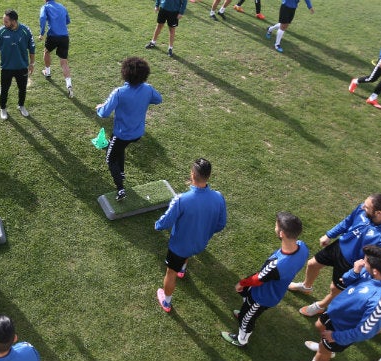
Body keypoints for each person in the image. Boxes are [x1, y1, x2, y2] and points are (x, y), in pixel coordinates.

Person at [288, 194, 381, 317]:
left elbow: (376, 263)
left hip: (351, 264)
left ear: (378, 213)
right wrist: (329, 235)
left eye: (367, 207)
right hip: (339, 247)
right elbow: (348, 221)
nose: (362, 207)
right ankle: (306, 287)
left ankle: (320, 306)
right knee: (312, 264)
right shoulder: (363, 210)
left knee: (335, 289)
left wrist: (355, 273)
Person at [221, 212, 309, 346]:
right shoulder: (302, 247)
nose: (274, 227)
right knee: (248, 308)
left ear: (282, 234)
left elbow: (257, 279)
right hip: (275, 290)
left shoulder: (277, 265)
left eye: (276, 226)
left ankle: (241, 339)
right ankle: (247, 313)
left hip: (262, 296)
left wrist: (241, 283)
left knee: (247, 317)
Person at [154, 158, 227, 312]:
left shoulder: (181, 200)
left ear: (193, 174)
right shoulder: (219, 197)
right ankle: (183, 269)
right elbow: (221, 224)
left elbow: (166, 222)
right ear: (209, 175)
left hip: (179, 247)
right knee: (187, 254)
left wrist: (157, 225)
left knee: (170, 272)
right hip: (200, 244)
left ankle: (166, 302)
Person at [304, 245, 381, 361]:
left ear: (375, 271)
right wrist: (355, 271)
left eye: (365, 261)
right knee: (319, 325)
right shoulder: (368, 271)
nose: (361, 261)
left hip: (342, 330)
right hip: (335, 312)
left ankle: (324, 351)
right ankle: (324, 347)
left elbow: (364, 331)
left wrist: (335, 337)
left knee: (322, 354)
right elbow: (345, 280)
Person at [95, 57, 162, 201]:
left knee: (110, 158)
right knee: (120, 149)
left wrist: (98, 108)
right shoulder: (148, 89)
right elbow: (158, 99)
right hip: (137, 133)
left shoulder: (119, 92)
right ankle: (122, 173)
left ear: (125, 72)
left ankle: (120, 189)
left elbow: (104, 113)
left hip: (121, 134)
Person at [0, 9, 36, 120]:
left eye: (6, 21)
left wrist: (32, 63)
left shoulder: (25, 31)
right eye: (3, 21)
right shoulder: (1, 32)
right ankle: (3, 109)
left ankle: (21, 106)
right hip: (6, 68)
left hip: (22, 67)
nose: (4, 24)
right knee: (4, 89)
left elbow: (32, 48)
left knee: (22, 88)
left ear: (14, 21)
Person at [38, 0, 74, 98]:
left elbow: (42, 18)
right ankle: (69, 85)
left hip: (53, 36)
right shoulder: (62, 7)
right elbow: (68, 21)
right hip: (64, 37)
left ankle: (47, 72)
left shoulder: (45, 7)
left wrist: (41, 33)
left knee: (46, 51)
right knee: (64, 62)